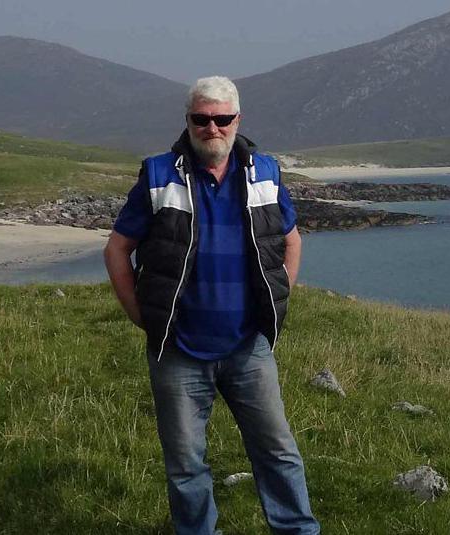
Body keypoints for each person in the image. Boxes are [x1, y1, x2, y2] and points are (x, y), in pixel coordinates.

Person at [104, 76, 319, 535]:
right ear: (188, 121)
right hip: (178, 350)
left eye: (222, 119)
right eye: (202, 119)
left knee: (278, 452)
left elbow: (290, 239)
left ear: (238, 120)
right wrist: (140, 316)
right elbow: (117, 248)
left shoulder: (265, 171)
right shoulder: (159, 174)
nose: (212, 128)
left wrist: (276, 298)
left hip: (248, 347)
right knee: (185, 465)